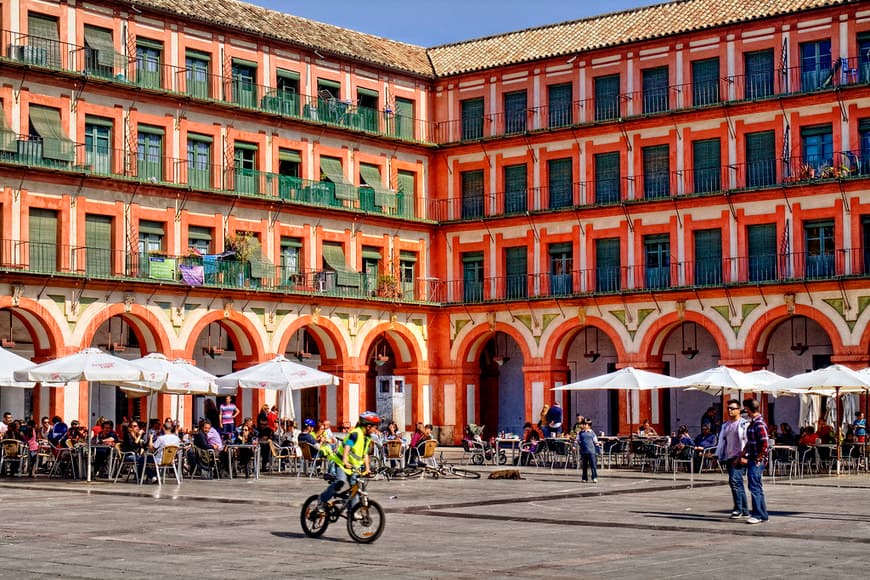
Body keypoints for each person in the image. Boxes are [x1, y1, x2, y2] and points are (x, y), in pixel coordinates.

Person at [315, 411, 381, 514]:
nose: (376, 429)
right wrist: (345, 461)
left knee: (355, 488)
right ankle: (322, 499)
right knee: (340, 481)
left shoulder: (367, 438)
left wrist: (368, 468)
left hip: (353, 467)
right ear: (368, 426)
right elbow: (347, 446)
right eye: (375, 427)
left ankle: (352, 512)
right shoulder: (355, 434)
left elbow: (365, 454)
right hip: (342, 462)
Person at [715, 399, 748, 520]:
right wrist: (718, 454)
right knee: (737, 482)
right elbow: (722, 442)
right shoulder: (725, 425)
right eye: (728, 408)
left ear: (738, 410)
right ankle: (745, 510)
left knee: (734, 481)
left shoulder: (744, 424)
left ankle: (738, 509)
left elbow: (747, 441)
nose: (729, 410)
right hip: (728, 456)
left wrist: (744, 456)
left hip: (738, 456)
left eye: (732, 408)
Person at [742, 398, 769, 524]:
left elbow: (765, 443)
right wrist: (744, 452)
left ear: (749, 409)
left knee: (754, 486)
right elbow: (751, 441)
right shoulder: (753, 423)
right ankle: (763, 514)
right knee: (756, 485)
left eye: (746, 408)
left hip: (757, 460)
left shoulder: (759, 424)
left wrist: (759, 458)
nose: (745, 411)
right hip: (753, 457)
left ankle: (757, 514)